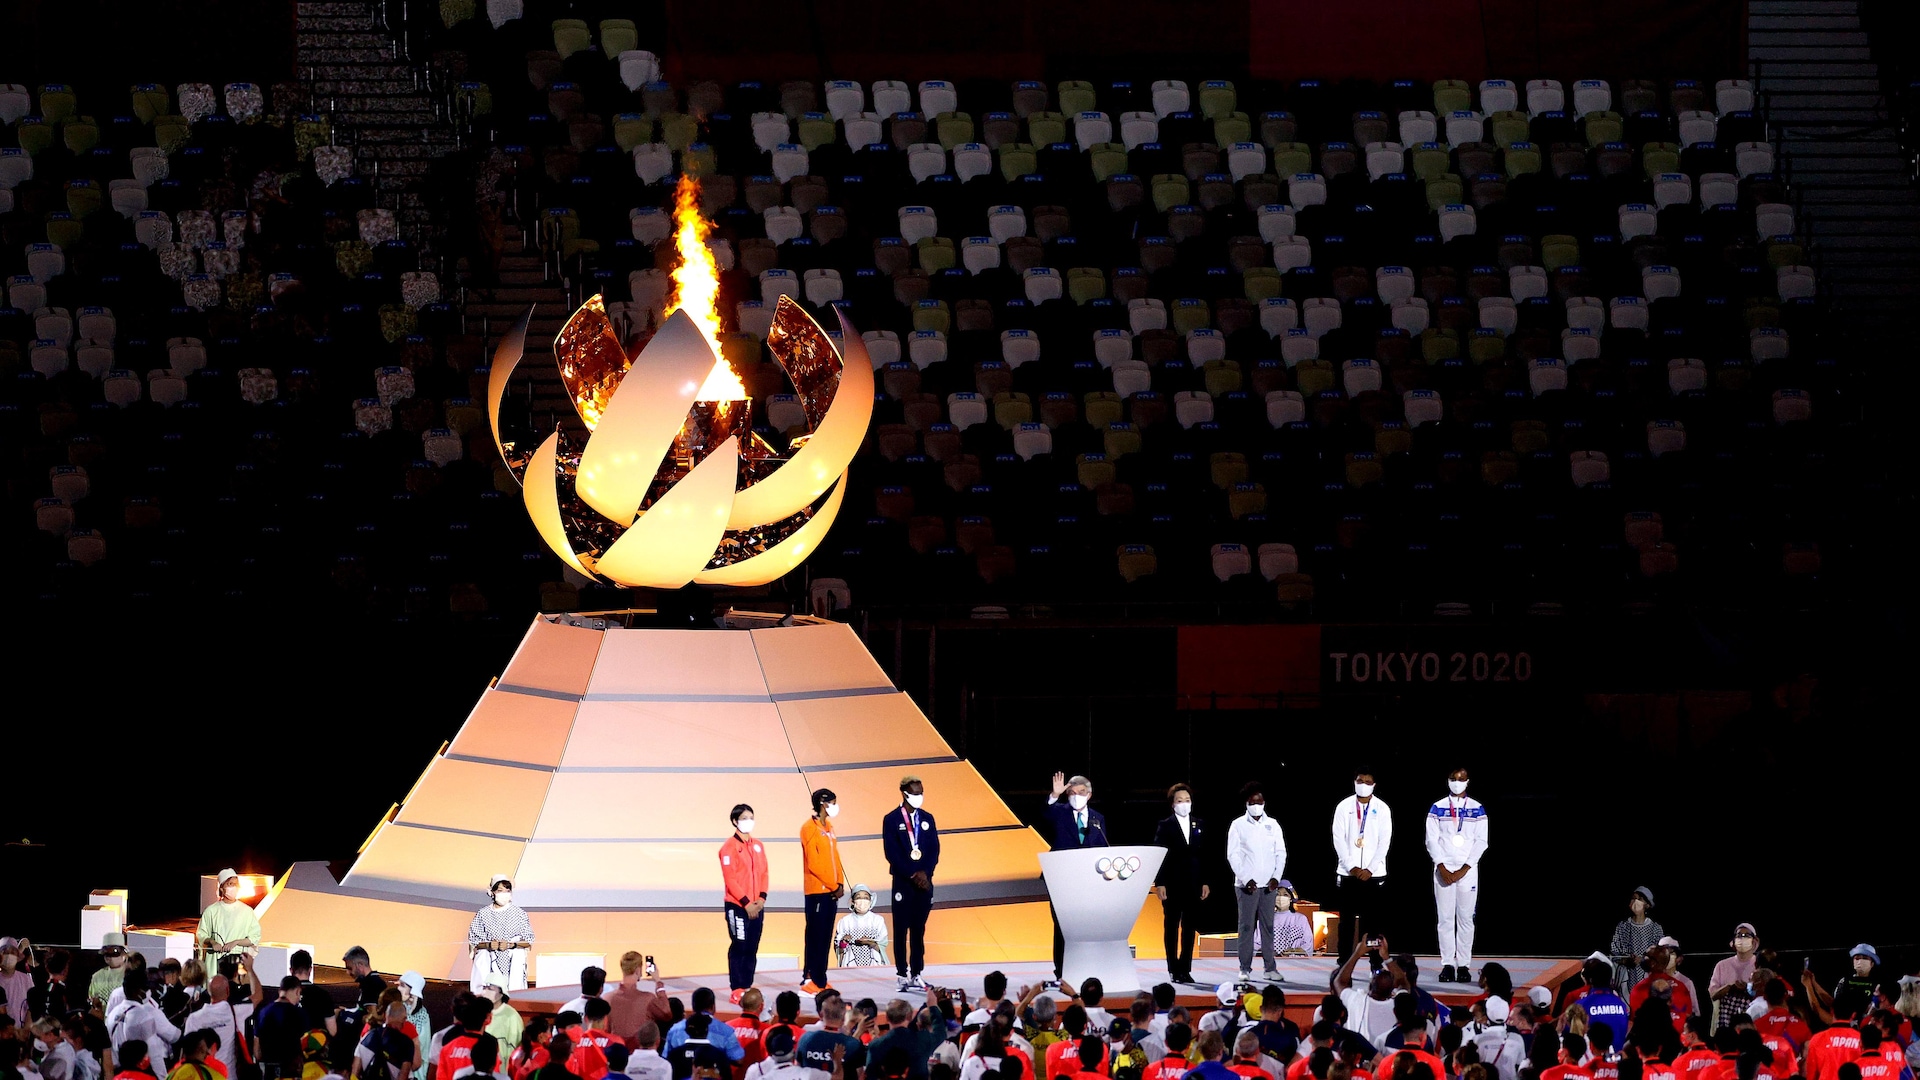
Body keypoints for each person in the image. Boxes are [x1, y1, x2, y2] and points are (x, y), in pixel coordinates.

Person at [1042, 773, 1110, 981]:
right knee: (1061, 925)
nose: (1076, 796)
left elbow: (1103, 848)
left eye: (1081, 793)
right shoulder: (1060, 812)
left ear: (1089, 795)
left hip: (1088, 881)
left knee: (1086, 926)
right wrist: (1055, 794)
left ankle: (1086, 968)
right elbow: (1045, 813)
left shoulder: (1098, 819)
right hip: (1061, 879)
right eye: (1071, 793)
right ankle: (1061, 971)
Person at [1423, 769, 1487, 985]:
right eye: (1453, 779)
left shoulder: (1477, 808)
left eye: (1461, 779)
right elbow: (1431, 840)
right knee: (1445, 918)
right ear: (1447, 780)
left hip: (1467, 872)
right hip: (1443, 870)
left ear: (1468, 781)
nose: (1457, 783)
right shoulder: (1437, 807)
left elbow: (1481, 841)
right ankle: (1448, 964)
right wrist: (1441, 865)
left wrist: (1463, 869)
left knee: (1466, 919)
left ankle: (1464, 966)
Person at [883, 775, 940, 993]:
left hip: (924, 884)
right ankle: (901, 974)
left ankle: (917, 973)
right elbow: (892, 852)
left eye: (921, 792)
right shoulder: (891, 819)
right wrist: (912, 874)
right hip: (903, 883)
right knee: (901, 929)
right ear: (905, 794)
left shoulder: (928, 818)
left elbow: (934, 849)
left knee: (919, 929)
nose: (919, 797)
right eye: (915, 793)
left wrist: (925, 873)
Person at [1227, 783, 1288, 984]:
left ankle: (1270, 968)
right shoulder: (1238, 825)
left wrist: (1276, 878)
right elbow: (1233, 855)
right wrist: (1246, 879)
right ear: (1247, 803)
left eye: (1259, 802)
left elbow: (1281, 853)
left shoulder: (1273, 824)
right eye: (1253, 802)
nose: (1256, 805)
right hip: (1247, 887)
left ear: (1264, 803)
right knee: (1246, 927)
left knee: (1268, 926)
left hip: (1268, 887)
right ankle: (1244, 968)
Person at [1152, 785, 1209, 986]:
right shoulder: (1165, 825)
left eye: (1187, 800)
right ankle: (1173, 969)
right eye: (1179, 800)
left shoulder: (1198, 824)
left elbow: (1203, 856)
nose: (1184, 804)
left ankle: (1185, 968)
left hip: (1193, 883)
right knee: (1172, 927)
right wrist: (1160, 883)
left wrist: (1204, 881)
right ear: (1172, 804)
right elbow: (1159, 855)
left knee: (1189, 927)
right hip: (1172, 883)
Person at [1331, 771, 1392, 958]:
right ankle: (1343, 963)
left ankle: (1375, 964)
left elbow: (1385, 841)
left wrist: (1370, 869)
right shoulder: (1343, 806)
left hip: (1374, 874)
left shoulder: (1382, 808)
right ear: (1354, 782)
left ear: (1374, 785)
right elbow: (1338, 839)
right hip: (1348, 873)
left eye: (1368, 782)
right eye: (1360, 781)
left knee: (1373, 922)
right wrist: (1352, 867)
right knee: (1346, 922)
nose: (1363, 784)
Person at [719, 804, 771, 1006]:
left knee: (752, 946)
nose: (749, 821)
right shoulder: (728, 848)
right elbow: (730, 879)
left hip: (757, 905)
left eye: (751, 817)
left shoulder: (758, 845)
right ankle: (737, 988)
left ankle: (747, 986)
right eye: (744, 818)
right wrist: (746, 903)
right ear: (735, 821)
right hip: (737, 906)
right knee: (739, 946)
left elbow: (765, 872)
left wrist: (761, 900)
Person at [802, 788, 849, 996]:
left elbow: (835, 858)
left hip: (831, 890)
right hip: (817, 891)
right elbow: (814, 862)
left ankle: (821, 979)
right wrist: (832, 884)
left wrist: (840, 882)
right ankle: (811, 978)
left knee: (825, 937)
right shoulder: (808, 828)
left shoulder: (829, 827)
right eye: (833, 802)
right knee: (815, 936)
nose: (835, 806)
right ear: (823, 803)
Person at [182, 973, 266, 1080]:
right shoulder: (236, 1011)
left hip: (204, 1075)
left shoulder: (194, 1018)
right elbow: (258, 995)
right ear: (228, 991)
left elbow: (187, 1052)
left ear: (208, 992)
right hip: (229, 1076)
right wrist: (250, 968)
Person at [469, 877, 534, 994]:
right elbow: (474, 940)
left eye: (507, 890)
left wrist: (511, 945)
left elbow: (528, 940)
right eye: (500, 891)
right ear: (492, 892)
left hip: (512, 959)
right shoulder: (483, 914)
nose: (504, 894)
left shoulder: (519, 914)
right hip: (489, 959)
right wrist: (488, 945)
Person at [197, 871, 264, 980]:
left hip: (237, 963)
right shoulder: (211, 911)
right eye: (230, 884)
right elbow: (202, 934)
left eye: (236, 884)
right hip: (215, 962)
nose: (234, 887)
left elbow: (254, 937)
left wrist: (236, 942)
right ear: (222, 888)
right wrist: (212, 942)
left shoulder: (246, 911)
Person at [108, 971, 181, 1068]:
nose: (149, 991)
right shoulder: (145, 1014)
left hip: (117, 1070)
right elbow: (155, 1053)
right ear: (137, 991)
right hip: (141, 1068)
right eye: (146, 988)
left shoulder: (112, 1014)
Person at [1334, 939, 1399, 1046]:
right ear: (1392, 991)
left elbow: (1339, 982)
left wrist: (1357, 953)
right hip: (1389, 1059)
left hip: (1361, 1057)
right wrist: (1386, 957)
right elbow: (1403, 983)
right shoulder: (1399, 1004)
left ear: (1370, 986)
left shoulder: (1357, 1001)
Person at [607, 954, 673, 1048]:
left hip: (615, 1056)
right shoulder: (648, 999)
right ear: (638, 970)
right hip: (640, 1055)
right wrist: (658, 981)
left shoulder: (607, 998)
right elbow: (666, 1013)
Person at [666, 988, 745, 1064]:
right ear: (712, 1006)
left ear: (693, 1006)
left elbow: (665, 1057)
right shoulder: (725, 1030)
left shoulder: (675, 1029)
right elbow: (738, 1059)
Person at [1802, 989, 1867, 1080]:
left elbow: (1811, 1074)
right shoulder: (1862, 1039)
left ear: (1832, 1011)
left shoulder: (1817, 1039)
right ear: (1853, 1015)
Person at [1609, 890, 1664, 996]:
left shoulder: (1655, 928)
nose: (1636, 901)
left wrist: (1644, 960)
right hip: (1626, 976)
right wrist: (1626, 960)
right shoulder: (1623, 926)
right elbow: (1614, 951)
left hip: (1648, 976)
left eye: (1640, 899)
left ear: (1647, 905)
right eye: (1634, 898)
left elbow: (1661, 955)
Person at [1630, 947, 1695, 1033]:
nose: (1642, 958)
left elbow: (1634, 1021)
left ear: (1652, 963)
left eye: (1645, 956)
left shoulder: (1640, 989)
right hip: (1677, 1042)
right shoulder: (1681, 986)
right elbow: (1688, 1015)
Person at [1707, 927, 1760, 1032]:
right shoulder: (1722, 965)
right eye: (1739, 935)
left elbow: (1765, 994)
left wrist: (1747, 988)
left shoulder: (1759, 965)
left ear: (1754, 941)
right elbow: (1713, 995)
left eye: (1747, 936)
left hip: (1753, 1019)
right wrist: (1729, 987)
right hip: (1725, 1022)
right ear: (1733, 941)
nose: (1742, 939)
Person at [831, 886, 888, 969]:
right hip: (850, 965)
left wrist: (869, 942)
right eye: (858, 897)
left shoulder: (878, 920)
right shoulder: (844, 921)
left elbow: (882, 945)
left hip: (874, 965)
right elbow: (839, 949)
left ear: (870, 900)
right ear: (853, 901)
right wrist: (844, 942)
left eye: (865, 897)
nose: (862, 901)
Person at [484, 976, 526, 1059]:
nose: (486, 991)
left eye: (491, 989)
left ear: (501, 993)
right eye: (485, 988)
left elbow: (516, 1045)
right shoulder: (480, 1012)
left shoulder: (512, 1015)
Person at [90, 935, 132, 1011]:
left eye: (115, 952)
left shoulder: (130, 975)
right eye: (107, 953)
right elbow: (93, 998)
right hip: (103, 1018)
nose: (111, 956)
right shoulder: (97, 976)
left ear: (124, 953)